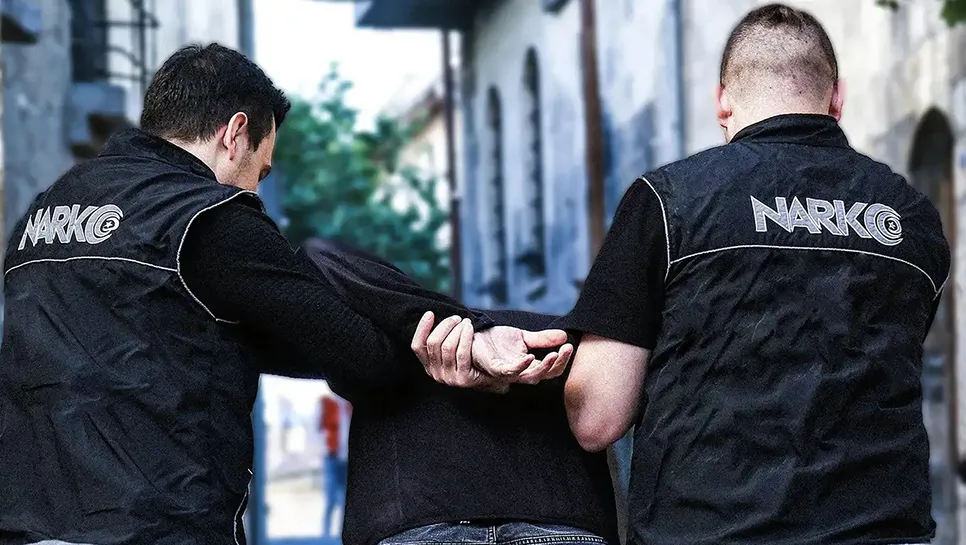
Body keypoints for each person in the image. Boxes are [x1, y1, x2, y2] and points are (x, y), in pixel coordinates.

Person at [414, 5, 950, 545]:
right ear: (837, 100)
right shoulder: (912, 219)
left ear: (722, 102)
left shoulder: (668, 202)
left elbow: (597, 416)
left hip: (709, 531)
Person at [0, 43, 569, 545]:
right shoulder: (206, 217)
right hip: (158, 526)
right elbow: (359, 355)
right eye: (262, 170)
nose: (257, 190)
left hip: (28, 526)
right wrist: (444, 345)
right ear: (234, 133)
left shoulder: (42, 216)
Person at [299, 238, 616, 545]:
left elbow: (319, 260)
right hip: (563, 513)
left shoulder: (385, 325)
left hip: (413, 518)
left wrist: (460, 328)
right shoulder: (584, 340)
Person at [318, 392, 351, 537]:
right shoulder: (328, 404)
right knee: (331, 498)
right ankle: (326, 533)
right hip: (333, 457)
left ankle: (341, 533)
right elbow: (320, 430)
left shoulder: (351, 406)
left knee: (346, 498)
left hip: (348, 458)